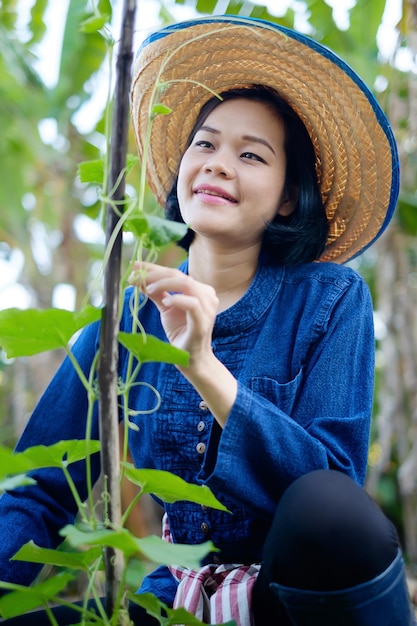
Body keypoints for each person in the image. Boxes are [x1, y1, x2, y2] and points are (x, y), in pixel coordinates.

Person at [0, 14, 413, 626]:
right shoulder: (126, 325)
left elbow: (334, 502)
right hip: (171, 601)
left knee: (327, 508)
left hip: (291, 602)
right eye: (205, 143)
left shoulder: (329, 299)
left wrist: (203, 367)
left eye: (251, 155)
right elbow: (35, 494)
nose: (219, 163)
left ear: (287, 196)